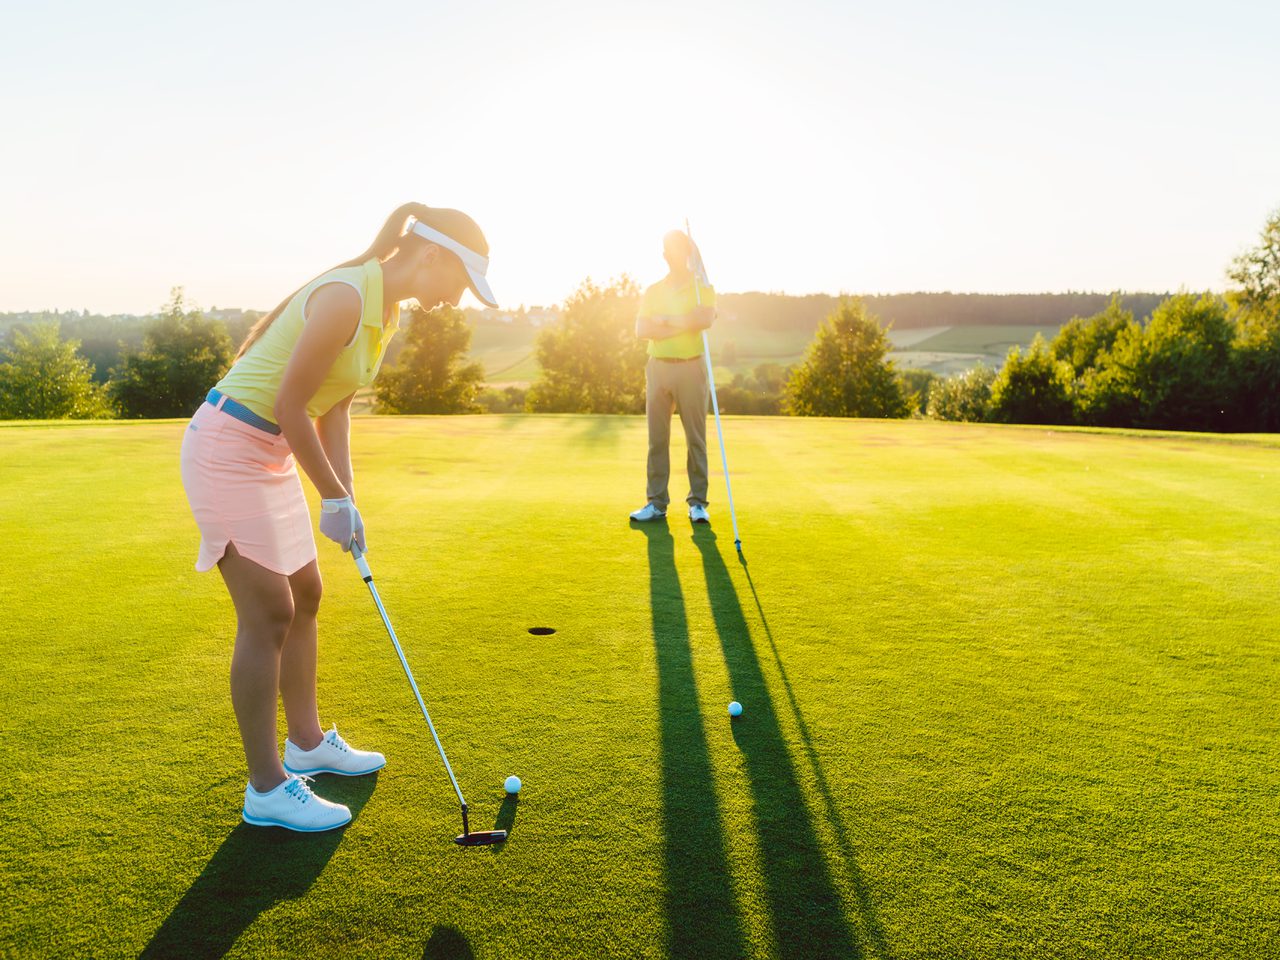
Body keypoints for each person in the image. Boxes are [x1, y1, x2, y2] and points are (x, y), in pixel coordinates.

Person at [179, 203, 496, 831]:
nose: (456, 300)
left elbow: (335, 411)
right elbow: (290, 403)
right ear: (431, 254)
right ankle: (267, 787)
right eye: (459, 283)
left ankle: (306, 742)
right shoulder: (346, 296)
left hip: (271, 450)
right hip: (229, 447)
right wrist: (328, 496)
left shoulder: (386, 312)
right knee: (269, 611)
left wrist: (347, 496)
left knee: (308, 593)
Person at [629, 230, 717, 524]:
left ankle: (697, 503)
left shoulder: (700, 286)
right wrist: (683, 323)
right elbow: (642, 329)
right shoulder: (654, 290)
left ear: (687, 253)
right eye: (668, 251)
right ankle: (656, 503)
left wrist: (665, 322)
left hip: (691, 366)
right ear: (664, 256)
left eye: (678, 250)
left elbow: (704, 319)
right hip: (658, 366)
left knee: (695, 438)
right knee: (657, 438)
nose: (672, 256)